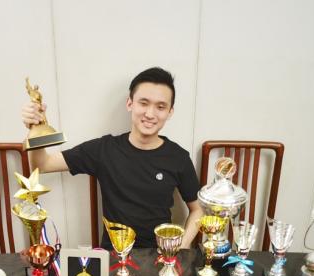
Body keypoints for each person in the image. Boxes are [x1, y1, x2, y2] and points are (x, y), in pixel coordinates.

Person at [21, 67, 203, 249]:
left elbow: (198, 209)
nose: (150, 114)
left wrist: (181, 247)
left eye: (160, 107)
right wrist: (36, 128)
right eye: (143, 103)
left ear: (170, 112)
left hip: (160, 254)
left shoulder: (178, 157)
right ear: (130, 103)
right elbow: (43, 164)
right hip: (114, 254)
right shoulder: (104, 149)